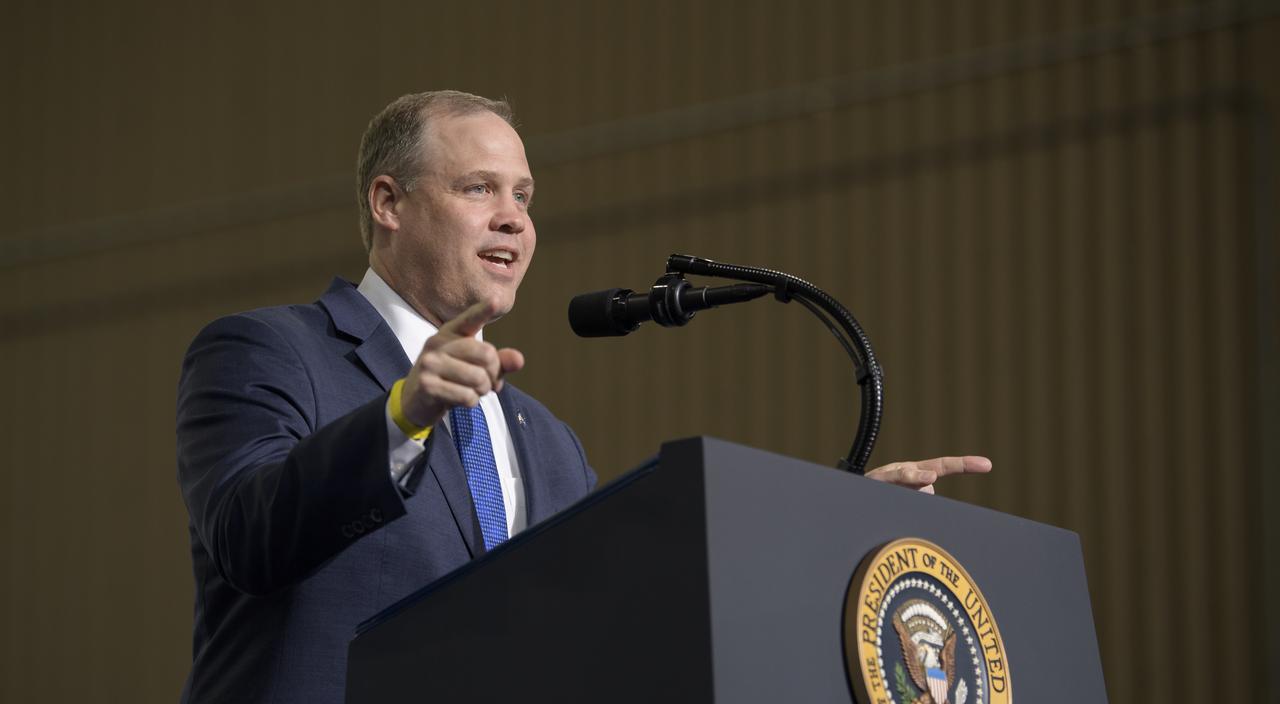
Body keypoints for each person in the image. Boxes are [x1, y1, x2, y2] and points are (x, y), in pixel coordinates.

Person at [175, 90, 991, 704]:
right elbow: (251, 536)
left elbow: (632, 623)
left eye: (524, 197)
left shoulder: (547, 443)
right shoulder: (269, 348)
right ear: (388, 203)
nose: (514, 221)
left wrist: (833, 533)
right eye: (478, 190)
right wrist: (401, 417)